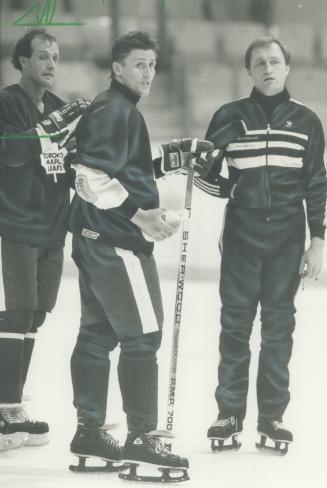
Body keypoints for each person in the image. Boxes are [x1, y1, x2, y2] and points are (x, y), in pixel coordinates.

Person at [67, 31, 214, 482]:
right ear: (117, 69)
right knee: (142, 337)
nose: (147, 72)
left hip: (93, 237)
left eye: (152, 64)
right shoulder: (116, 110)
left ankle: (89, 433)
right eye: (138, 64)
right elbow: (89, 174)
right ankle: (143, 439)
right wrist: (141, 218)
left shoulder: (113, 108)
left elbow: (116, 170)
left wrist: (163, 165)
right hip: (116, 242)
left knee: (97, 334)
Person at [195, 36, 326, 454]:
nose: (268, 69)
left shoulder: (307, 122)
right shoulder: (228, 116)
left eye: (275, 61)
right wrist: (203, 168)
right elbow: (212, 182)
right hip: (240, 237)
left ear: (287, 68)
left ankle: (272, 417)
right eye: (259, 63)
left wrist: (318, 240)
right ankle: (228, 415)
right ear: (248, 71)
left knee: (278, 329)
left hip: (287, 240)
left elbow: (317, 187)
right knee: (235, 326)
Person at [0, 29, 89, 451]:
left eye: (55, 56)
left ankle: (12, 405)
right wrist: (46, 130)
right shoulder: (6, 102)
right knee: (17, 314)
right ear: (22, 62)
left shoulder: (58, 106)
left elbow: (70, 164)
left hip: (53, 229)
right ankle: (5, 405)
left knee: (35, 315)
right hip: (17, 225)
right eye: (41, 57)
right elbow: (11, 152)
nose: (51, 64)